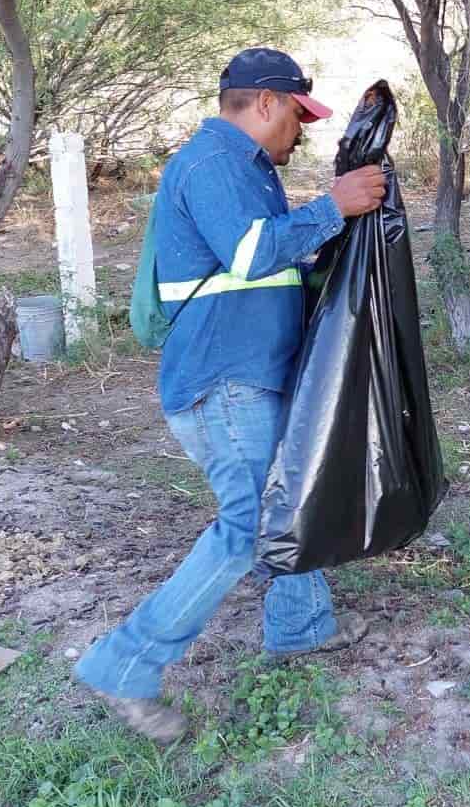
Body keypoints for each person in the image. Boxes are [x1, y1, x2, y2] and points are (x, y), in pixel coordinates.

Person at [74, 47, 388, 742]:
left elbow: (261, 268)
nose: (300, 132)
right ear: (266, 103)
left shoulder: (245, 171)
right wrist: (332, 206)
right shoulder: (215, 161)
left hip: (245, 375)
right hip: (223, 383)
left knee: (282, 500)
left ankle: (301, 625)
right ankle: (125, 663)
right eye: (298, 116)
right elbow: (250, 254)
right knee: (249, 523)